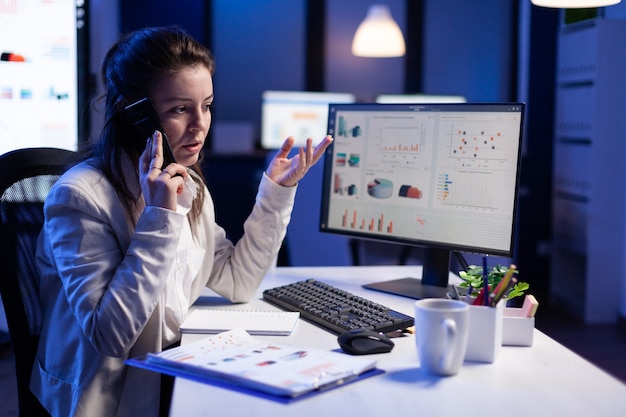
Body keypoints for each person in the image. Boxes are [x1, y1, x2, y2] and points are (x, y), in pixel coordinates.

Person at [30, 25, 332, 417]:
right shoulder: (79, 198)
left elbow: (238, 281)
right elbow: (111, 336)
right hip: (106, 400)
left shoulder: (187, 184)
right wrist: (159, 216)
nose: (200, 124)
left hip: (174, 373)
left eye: (206, 105)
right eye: (179, 109)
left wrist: (274, 193)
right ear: (133, 113)